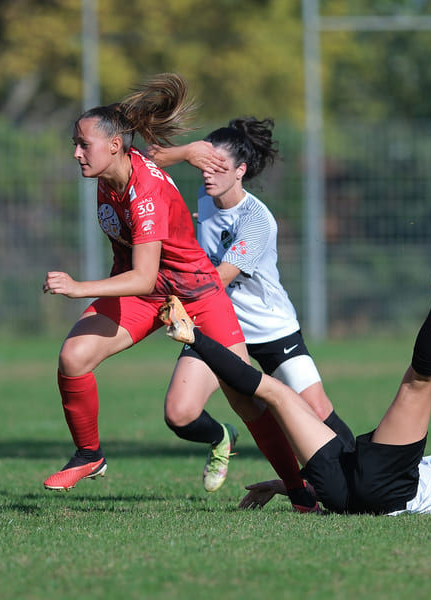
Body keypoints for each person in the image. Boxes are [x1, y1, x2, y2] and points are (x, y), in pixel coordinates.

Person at [42, 74, 309, 505]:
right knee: (74, 356)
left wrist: (78, 289)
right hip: (145, 296)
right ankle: (88, 454)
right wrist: (187, 151)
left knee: (246, 397)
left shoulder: (142, 192)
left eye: (82, 144)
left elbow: (145, 276)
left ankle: (300, 491)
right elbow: (153, 161)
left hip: (195, 295)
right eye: (75, 142)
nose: (75, 153)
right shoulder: (109, 175)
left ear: (113, 146)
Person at [159, 241, 431, 515]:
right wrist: (283, 485)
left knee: (418, 381)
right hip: (346, 494)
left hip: (386, 485)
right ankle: (192, 336)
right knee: (280, 394)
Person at [147, 117, 354, 501]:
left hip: (271, 329)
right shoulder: (203, 198)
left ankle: (360, 480)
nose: (208, 174)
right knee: (179, 413)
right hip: (218, 325)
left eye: (218, 167)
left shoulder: (257, 220)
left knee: (316, 408)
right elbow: (147, 162)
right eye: (203, 165)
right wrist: (186, 152)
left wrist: (159, 282)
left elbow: (214, 282)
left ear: (241, 171)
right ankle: (223, 438)